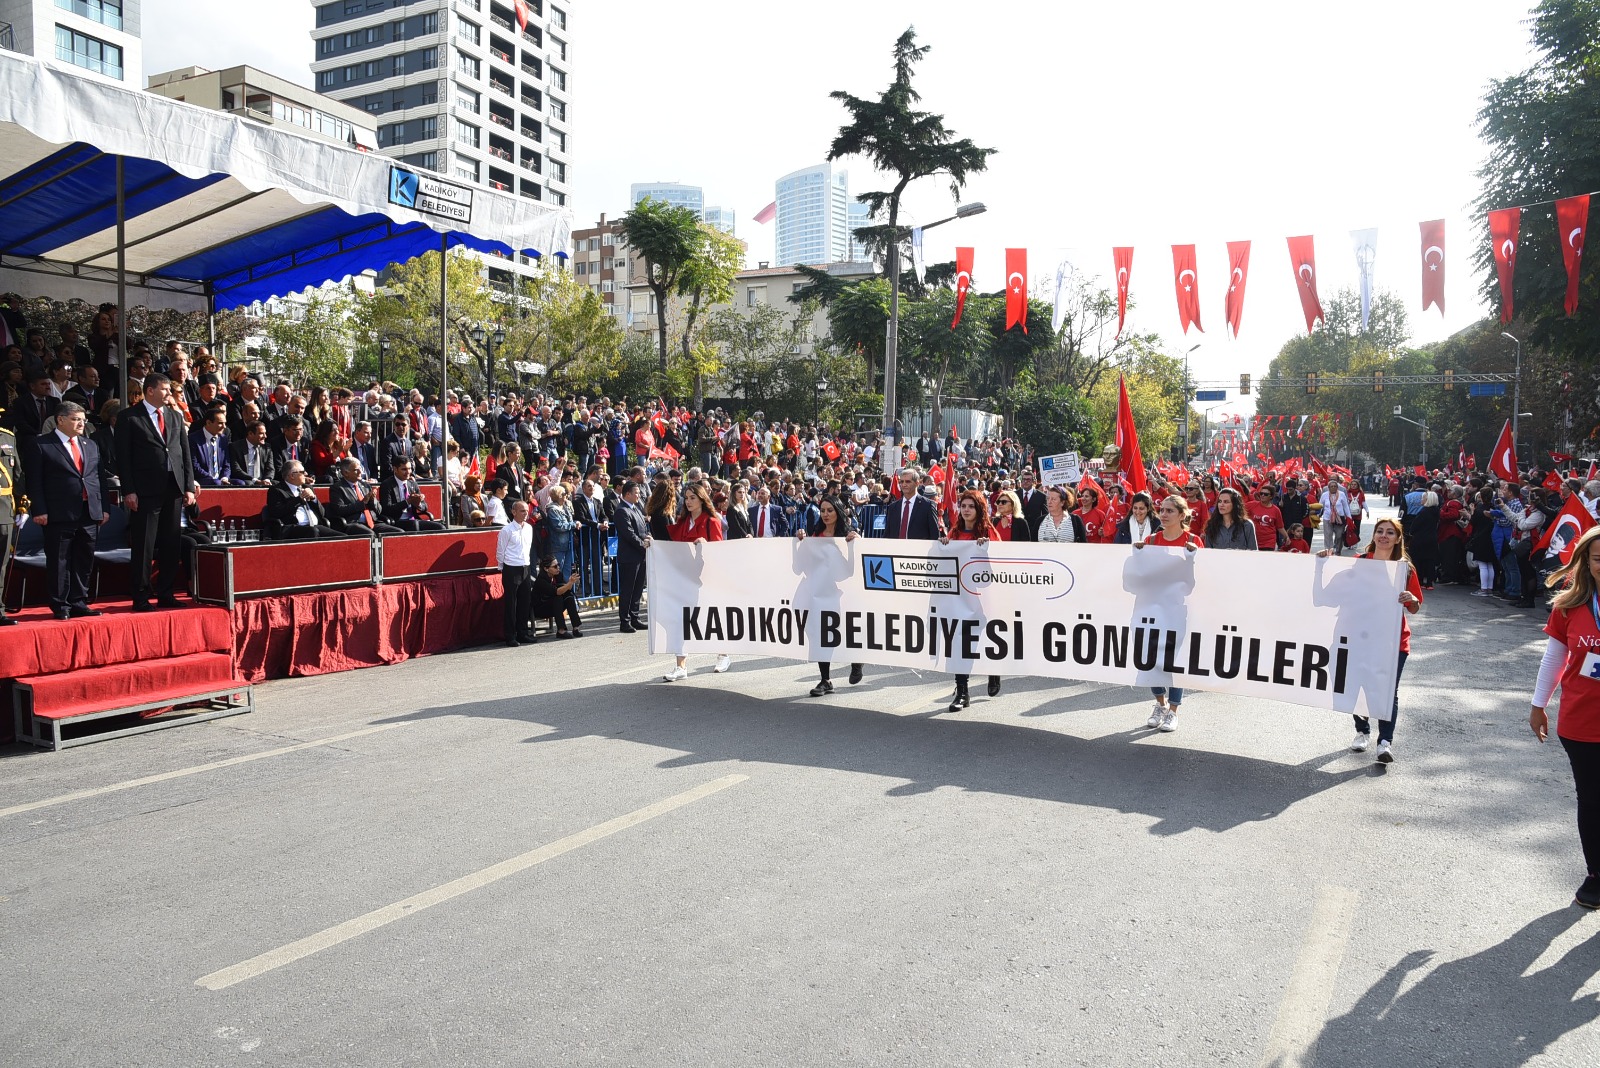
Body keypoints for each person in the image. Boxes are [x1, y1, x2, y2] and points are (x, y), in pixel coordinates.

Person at [1529, 523, 1600, 909]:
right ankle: (1596, 873)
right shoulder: (1570, 606)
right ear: (1587, 563)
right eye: (1599, 558)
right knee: (1592, 799)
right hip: (1582, 720)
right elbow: (1555, 658)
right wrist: (1539, 704)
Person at [1322, 517, 1420, 763]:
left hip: (1392, 642)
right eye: (1380, 531)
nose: (1384, 536)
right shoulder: (1358, 564)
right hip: (1356, 637)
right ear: (1374, 535)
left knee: (1387, 692)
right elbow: (1334, 591)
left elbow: (1415, 606)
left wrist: (1411, 598)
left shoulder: (1404, 569)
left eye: (1389, 532)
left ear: (1398, 539)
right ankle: (1362, 730)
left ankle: (1385, 742)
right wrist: (1323, 563)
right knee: (1353, 686)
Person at [115, 373, 195, 611]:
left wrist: (188, 485)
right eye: (164, 389)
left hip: (173, 488)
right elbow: (124, 459)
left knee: (171, 543)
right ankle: (140, 596)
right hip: (145, 490)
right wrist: (129, 490)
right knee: (145, 545)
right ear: (150, 390)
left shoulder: (174, 416)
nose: (169, 394)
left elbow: (184, 453)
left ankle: (166, 593)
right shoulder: (129, 417)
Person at [27, 401, 107, 619]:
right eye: (76, 419)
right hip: (58, 512)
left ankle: (79, 601)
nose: (81, 423)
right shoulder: (42, 444)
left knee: (84, 558)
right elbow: (35, 481)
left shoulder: (90, 444)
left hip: (88, 511)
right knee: (59, 560)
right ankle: (60, 604)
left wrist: (103, 508)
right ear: (60, 420)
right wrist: (39, 510)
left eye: (83, 419)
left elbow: (98, 478)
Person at [1134, 494, 1204, 731]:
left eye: (1169, 511)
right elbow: (1142, 575)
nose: (1163, 514)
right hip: (1152, 607)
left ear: (1182, 515)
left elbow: (1201, 579)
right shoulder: (1152, 540)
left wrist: (1195, 558)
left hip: (1178, 609)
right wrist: (1138, 554)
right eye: (1161, 510)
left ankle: (1173, 710)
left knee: (1174, 661)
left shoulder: (1193, 541)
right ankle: (1159, 704)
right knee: (1150, 657)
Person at [940, 489, 1002, 711]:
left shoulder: (988, 532)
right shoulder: (954, 533)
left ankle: (994, 670)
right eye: (963, 506)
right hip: (960, 600)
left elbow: (1000, 566)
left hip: (983, 601)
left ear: (979, 509)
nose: (966, 510)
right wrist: (943, 546)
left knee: (986, 641)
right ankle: (962, 691)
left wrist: (988, 549)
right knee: (959, 643)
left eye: (971, 506)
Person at [796, 495, 862, 695]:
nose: (825, 514)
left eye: (830, 510)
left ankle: (856, 659)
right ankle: (825, 680)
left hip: (840, 595)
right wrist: (800, 542)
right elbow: (800, 566)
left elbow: (852, 570)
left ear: (838, 512)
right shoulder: (814, 536)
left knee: (842, 631)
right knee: (818, 635)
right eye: (822, 510)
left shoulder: (848, 535)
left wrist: (857, 544)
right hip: (817, 593)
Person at [663, 482, 728, 680]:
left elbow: (719, 551)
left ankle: (723, 653)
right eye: (687, 497)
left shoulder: (711, 521)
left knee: (712, 618)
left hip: (706, 578)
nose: (689, 501)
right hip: (684, 578)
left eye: (693, 497)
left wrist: (706, 545)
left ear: (701, 499)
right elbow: (671, 548)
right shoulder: (683, 522)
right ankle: (681, 666)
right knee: (681, 620)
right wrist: (652, 545)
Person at [265, 462, 342, 540]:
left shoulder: (308, 487)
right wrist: (299, 499)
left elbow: (322, 513)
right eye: (302, 472)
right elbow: (276, 512)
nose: (306, 473)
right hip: (292, 527)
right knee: (313, 531)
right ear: (292, 475)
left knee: (342, 538)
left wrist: (314, 499)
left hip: (315, 526)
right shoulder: (276, 490)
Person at [497, 499, 536, 646]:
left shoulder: (529, 528)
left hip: (525, 566)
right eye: (522, 510)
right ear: (513, 512)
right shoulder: (506, 530)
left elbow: (528, 547)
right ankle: (510, 635)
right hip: (511, 567)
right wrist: (502, 568)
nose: (525, 513)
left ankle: (523, 633)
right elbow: (500, 551)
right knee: (511, 603)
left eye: (526, 510)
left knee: (525, 602)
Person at [328, 458, 402, 537]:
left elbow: (379, 510)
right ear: (346, 473)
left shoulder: (366, 486)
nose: (360, 472)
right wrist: (362, 503)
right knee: (370, 535)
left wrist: (373, 500)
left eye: (360, 468)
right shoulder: (337, 488)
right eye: (356, 470)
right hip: (354, 523)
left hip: (373, 522)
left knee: (398, 532)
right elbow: (339, 510)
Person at [614, 480, 651, 633]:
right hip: (629, 556)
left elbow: (642, 529)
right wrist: (642, 543)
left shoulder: (635, 508)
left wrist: (648, 538)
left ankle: (635, 617)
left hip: (640, 555)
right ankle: (625, 621)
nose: (639, 495)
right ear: (627, 494)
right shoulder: (621, 510)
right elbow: (628, 533)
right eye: (636, 492)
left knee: (637, 589)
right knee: (628, 590)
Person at [380, 458, 444, 532]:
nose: (408, 472)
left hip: (413, 519)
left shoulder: (412, 484)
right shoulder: (387, 485)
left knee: (440, 527)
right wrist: (407, 502)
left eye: (409, 469)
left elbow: (425, 506)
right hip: (397, 520)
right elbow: (387, 509)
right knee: (414, 525)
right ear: (395, 469)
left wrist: (418, 504)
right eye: (404, 469)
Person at [532, 554, 583, 638]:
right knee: (558, 597)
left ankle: (576, 627)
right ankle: (561, 630)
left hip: (554, 605)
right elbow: (557, 592)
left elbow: (566, 589)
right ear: (546, 569)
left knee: (569, 596)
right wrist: (570, 583)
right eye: (555, 566)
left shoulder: (558, 575)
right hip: (540, 608)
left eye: (558, 565)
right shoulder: (541, 580)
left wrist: (571, 581)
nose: (558, 568)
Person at [887, 466, 941, 539]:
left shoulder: (928, 506)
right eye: (901, 482)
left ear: (917, 483)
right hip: (896, 549)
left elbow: (934, 534)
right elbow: (887, 535)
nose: (904, 484)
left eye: (908, 481)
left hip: (919, 549)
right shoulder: (893, 507)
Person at [0, 423, 19, 625]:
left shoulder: (6, 437)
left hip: (4, 510)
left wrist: (21, 505)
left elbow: (18, 474)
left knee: (1, 564)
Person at [1245, 485, 1286, 551]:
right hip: (1253, 541)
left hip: (1269, 543)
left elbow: (1280, 526)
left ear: (1271, 496)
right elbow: (1239, 509)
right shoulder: (1252, 505)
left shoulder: (1276, 510)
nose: (1262, 495)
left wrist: (1286, 537)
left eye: (1265, 494)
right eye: (1261, 493)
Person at [1319, 477, 1352, 555]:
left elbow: (1346, 506)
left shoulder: (1342, 494)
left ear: (1337, 487)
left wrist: (1349, 517)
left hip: (1339, 518)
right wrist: (1317, 515)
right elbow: (1320, 506)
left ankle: (1338, 550)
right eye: (1331, 486)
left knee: (1339, 535)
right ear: (1328, 488)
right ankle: (1328, 550)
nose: (1333, 488)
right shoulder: (1324, 495)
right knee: (1328, 535)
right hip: (1327, 518)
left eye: (1335, 486)